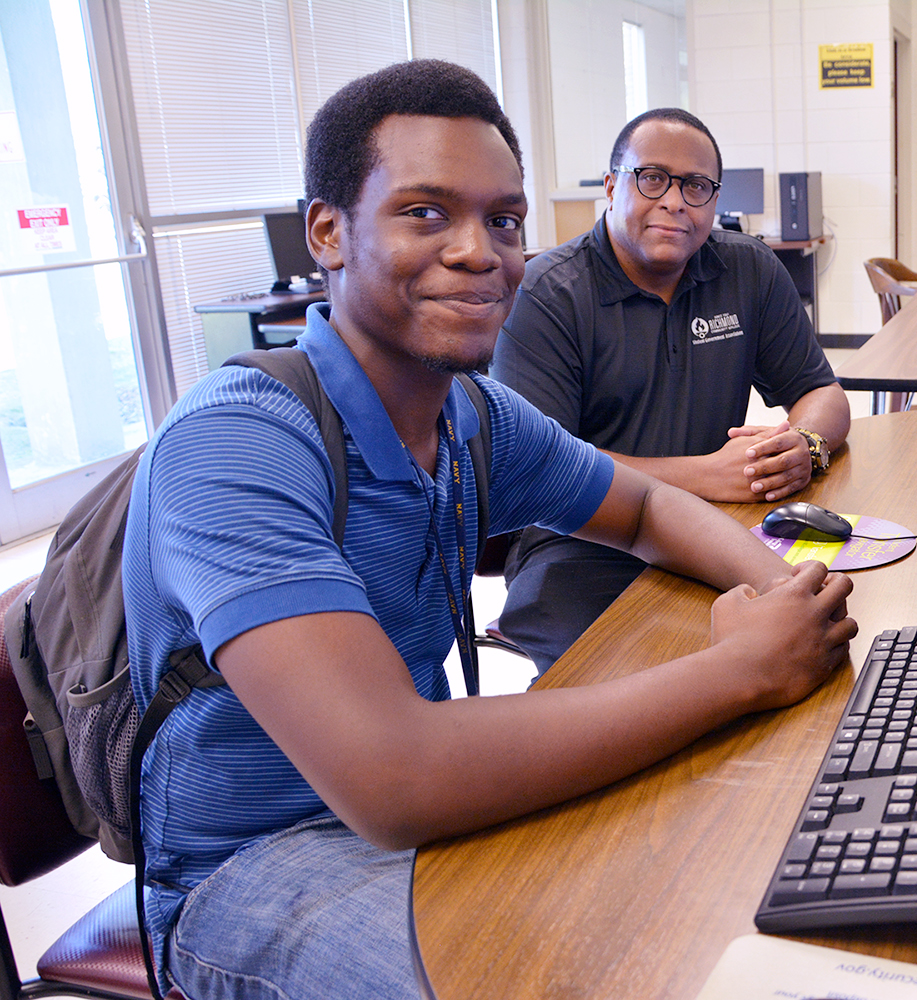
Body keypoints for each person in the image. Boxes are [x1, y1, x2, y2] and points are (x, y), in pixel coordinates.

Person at [121, 60, 856, 1000]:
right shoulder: (238, 442)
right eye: (426, 212)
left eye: (503, 220)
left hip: (418, 819)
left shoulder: (472, 414)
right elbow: (394, 778)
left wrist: (776, 593)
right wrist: (741, 668)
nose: (480, 252)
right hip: (258, 867)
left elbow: (641, 506)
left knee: (706, 882)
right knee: (568, 978)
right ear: (329, 232)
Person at [491, 107, 852, 672]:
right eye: (652, 178)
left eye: (696, 186)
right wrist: (708, 473)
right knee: (643, 698)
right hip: (579, 548)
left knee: (816, 640)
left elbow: (822, 391)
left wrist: (805, 444)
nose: (675, 201)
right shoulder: (548, 295)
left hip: (719, 528)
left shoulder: (746, 269)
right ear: (611, 187)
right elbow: (539, 470)